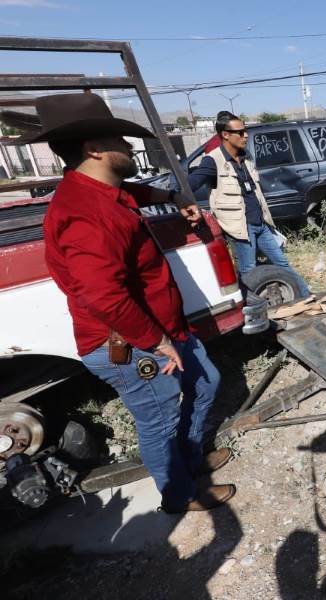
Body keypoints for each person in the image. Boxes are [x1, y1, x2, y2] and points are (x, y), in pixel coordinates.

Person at [19, 93, 236, 513]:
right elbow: (104, 296)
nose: (128, 145)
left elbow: (133, 193)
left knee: (205, 382)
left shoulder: (103, 191)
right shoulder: (84, 214)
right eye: (119, 138)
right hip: (128, 342)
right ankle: (179, 496)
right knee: (160, 421)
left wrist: (172, 199)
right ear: (94, 149)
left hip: (159, 328)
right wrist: (155, 341)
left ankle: (189, 463)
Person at [188, 111, 310, 298]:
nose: (246, 135)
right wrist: (183, 201)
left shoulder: (247, 157)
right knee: (249, 272)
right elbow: (191, 183)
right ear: (225, 135)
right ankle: (252, 309)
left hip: (261, 224)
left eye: (245, 130)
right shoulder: (213, 161)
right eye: (240, 132)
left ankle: (306, 296)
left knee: (282, 263)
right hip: (240, 229)